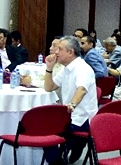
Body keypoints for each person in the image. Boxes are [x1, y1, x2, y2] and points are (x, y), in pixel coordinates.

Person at [43, 36, 98, 164]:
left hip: (82, 118)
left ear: (70, 52)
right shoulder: (66, 68)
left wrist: (72, 104)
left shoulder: (82, 68)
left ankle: (57, 161)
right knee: (43, 126)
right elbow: (49, 87)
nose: (56, 52)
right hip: (70, 116)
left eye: (60, 49)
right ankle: (60, 158)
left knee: (46, 130)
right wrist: (49, 68)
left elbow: (82, 89)